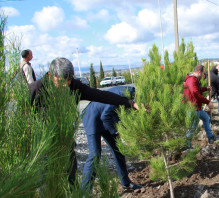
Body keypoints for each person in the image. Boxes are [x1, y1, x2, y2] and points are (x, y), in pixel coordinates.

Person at [29, 57, 139, 185]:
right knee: (47, 177)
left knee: (71, 172)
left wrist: (130, 103)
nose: (66, 85)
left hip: (64, 138)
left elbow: (101, 95)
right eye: (61, 81)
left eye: (69, 80)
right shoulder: (35, 89)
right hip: (43, 141)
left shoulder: (75, 87)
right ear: (50, 75)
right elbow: (25, 117)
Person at [81, 86, 142, 192]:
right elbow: (105, 116)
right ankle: (84, 193)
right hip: (92, 118)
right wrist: (117, 132)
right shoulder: (121, 95)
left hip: (105, 119)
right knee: (94, 155)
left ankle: (126, 183)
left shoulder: (131, 93)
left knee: (118, 149)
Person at [183, 65, 216, 147]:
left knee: (205, 118)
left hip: (197, 106)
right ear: (199, 72)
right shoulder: (191, 80)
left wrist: (205, 88)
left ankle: (210, 137)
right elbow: (195, 93)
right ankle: (188, 146)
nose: (203, 75)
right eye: (203, 73)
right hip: (192, 107)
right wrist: (208, 102)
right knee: (192, 127)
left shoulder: (194, 79)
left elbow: (197, 90)